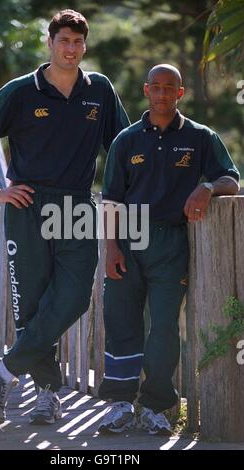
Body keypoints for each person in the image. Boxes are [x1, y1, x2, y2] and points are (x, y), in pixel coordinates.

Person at [0, 9, 129, 425]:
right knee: (31, 306)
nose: (71, 49)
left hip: (76, 206)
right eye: (63, 41)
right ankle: (47, 395)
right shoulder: (21, 91)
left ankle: (2, 369)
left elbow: (123, 148)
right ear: (50, 43)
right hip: (28, 206)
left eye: (78, 42)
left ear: (84, 46)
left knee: (71, 299)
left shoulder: (100, 91)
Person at [97, 64, 240, 435]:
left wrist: (207, 186)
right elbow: (110, 199)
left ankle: (157, 406)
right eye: (155, 87)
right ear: (146, 91)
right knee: (122, 321)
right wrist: (111, 247)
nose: (161, 94)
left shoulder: (199, 136)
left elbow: (231, 178)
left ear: (180, 93)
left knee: (163, 326)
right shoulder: (126, 140)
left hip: (170, 244)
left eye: (169, 88)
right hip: (128, 240)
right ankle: (120, 403)